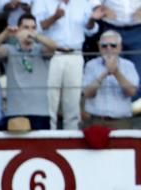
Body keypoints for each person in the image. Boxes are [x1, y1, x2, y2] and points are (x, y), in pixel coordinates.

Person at [31, 0, 104, 129]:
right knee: (50, 100)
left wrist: (92, 20)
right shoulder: (41, 2)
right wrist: (54, 18)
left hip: (75, 53)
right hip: (52, 55)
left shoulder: (82, 3)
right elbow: (34, 28)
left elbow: (90, 31)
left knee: (73, 101)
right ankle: (48, 138)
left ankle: (71, 137)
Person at [0, 13, 57, 130]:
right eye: (26, 27)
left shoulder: (40, 50)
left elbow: (53, 46)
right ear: (19, 29)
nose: (30, 31)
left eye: (33, 28)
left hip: (40, 112)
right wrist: (5, 34)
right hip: (15, 112)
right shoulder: (10, 50)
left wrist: (36, 36)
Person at [82, 29, 139, 128]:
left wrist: (116, 73)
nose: (109, 48)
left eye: (113, 45)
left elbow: (131, 92)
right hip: (96, 121)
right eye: (104, 46)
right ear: (99, 47)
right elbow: (87, 93)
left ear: (120, 47)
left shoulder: (128, 65)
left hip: (121, 121)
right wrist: (104, 74)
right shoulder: (91, 65)